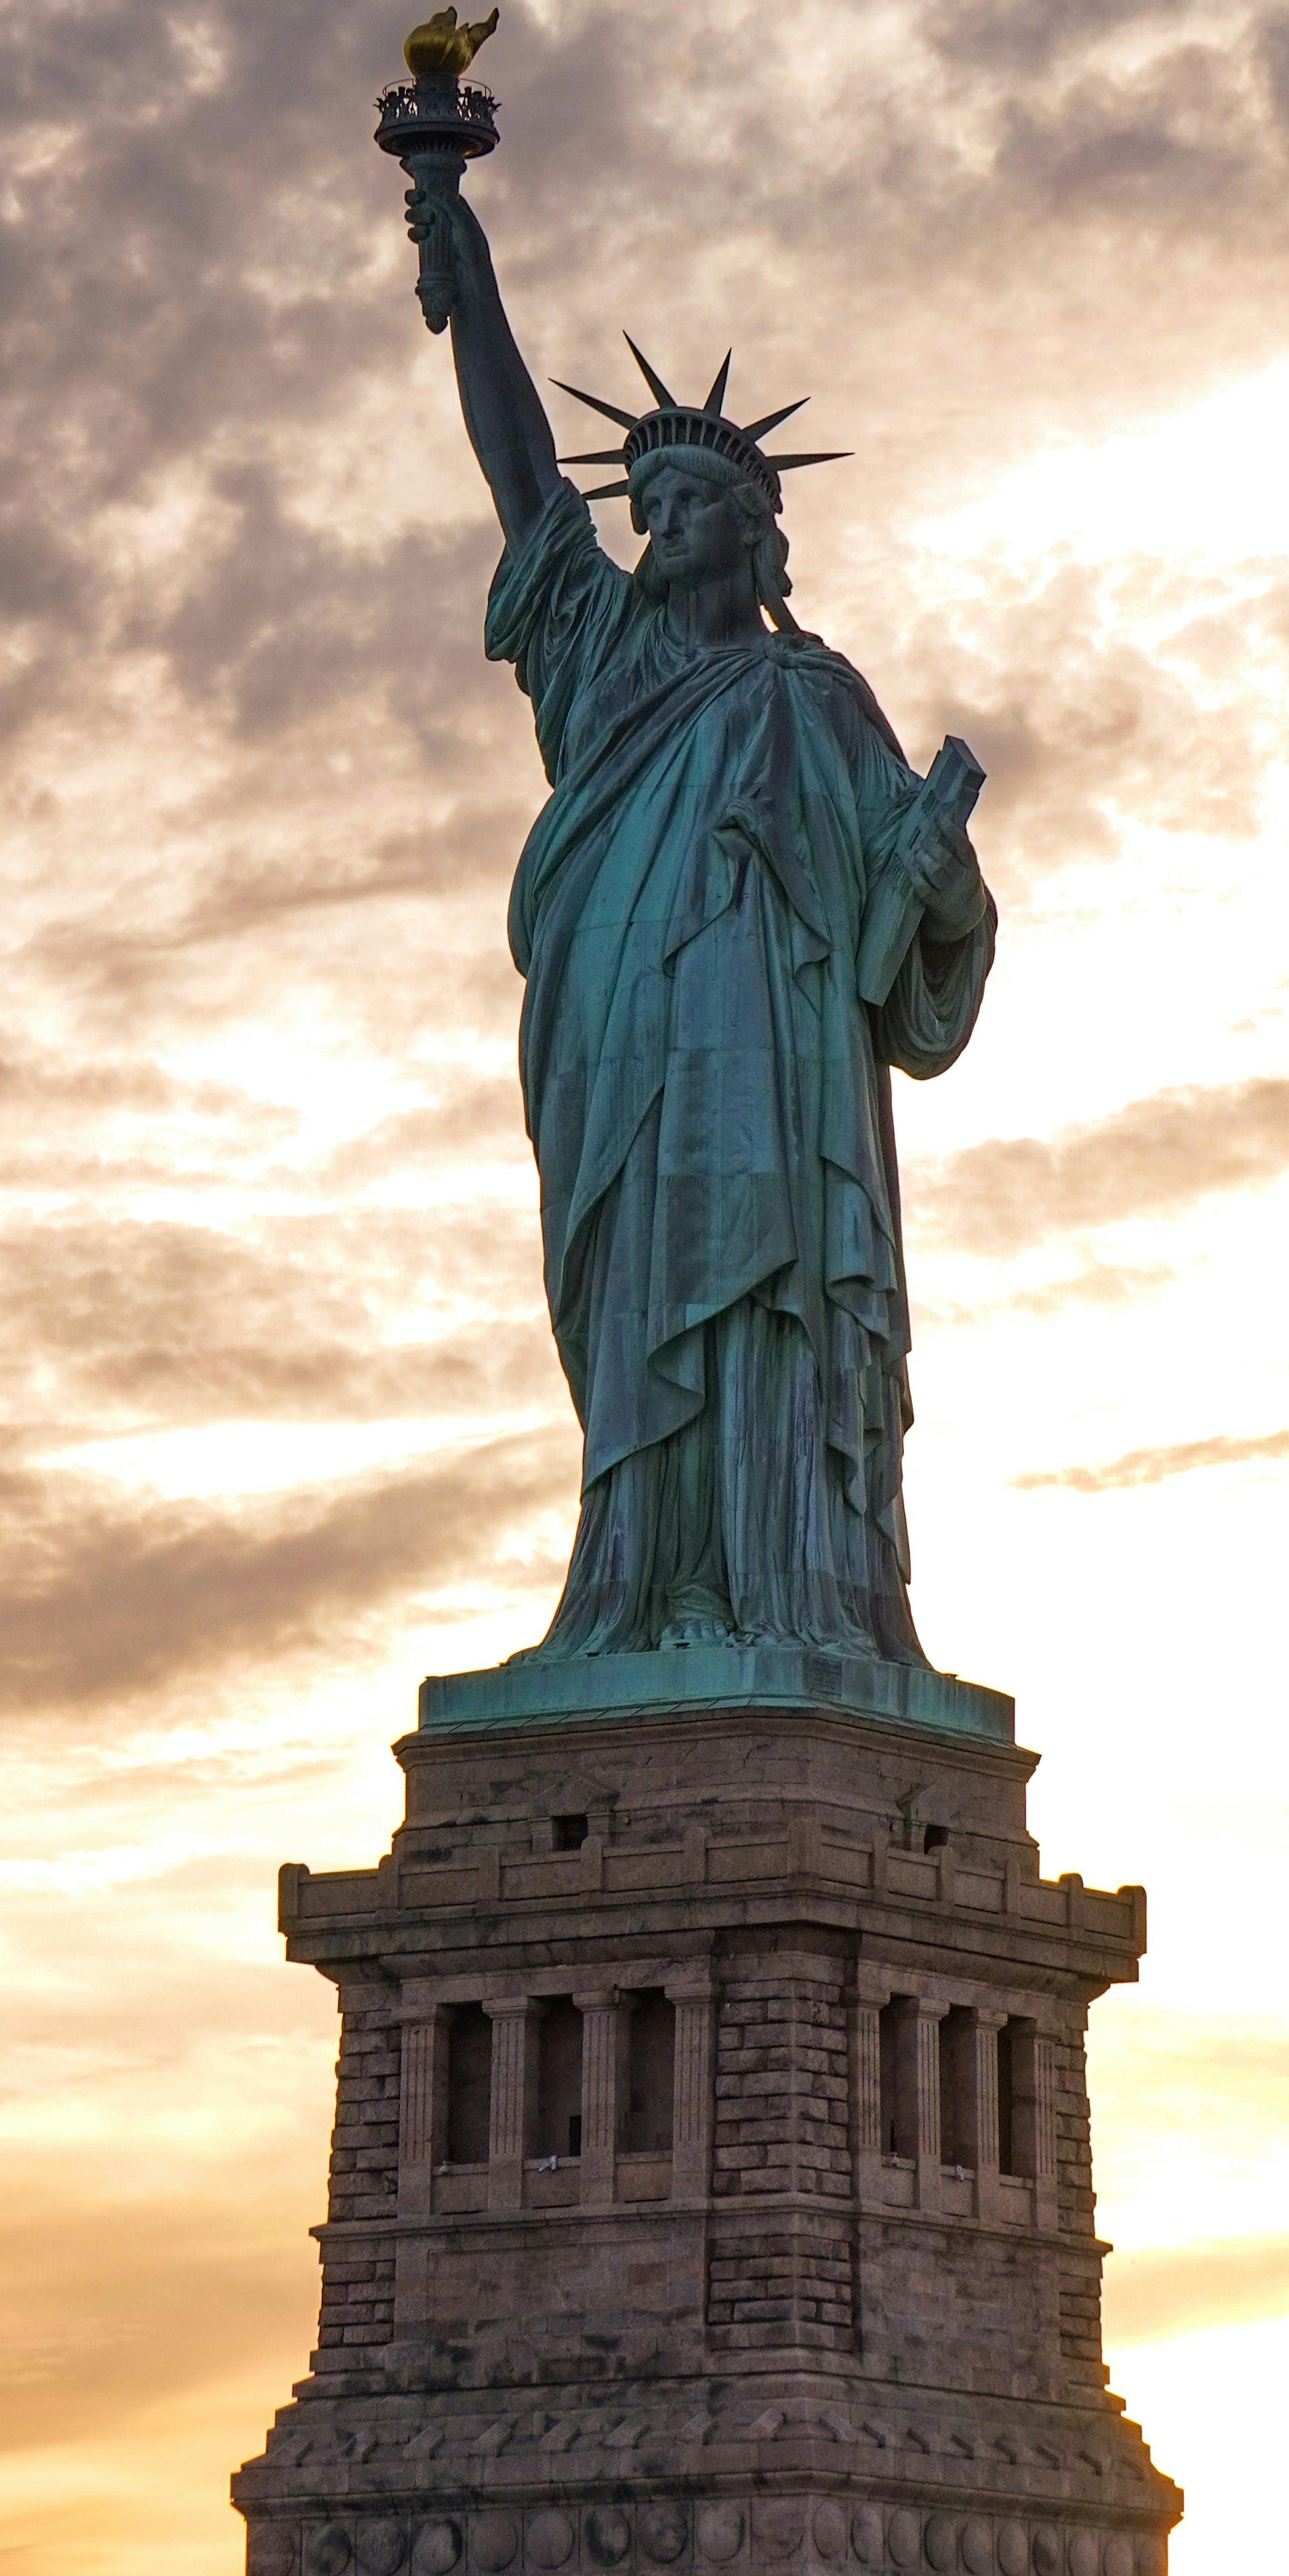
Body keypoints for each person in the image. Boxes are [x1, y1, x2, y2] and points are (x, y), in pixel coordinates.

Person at [403, 174, 995, 1662]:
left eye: (686, 508)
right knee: (639, 1304)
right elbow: (522, 472)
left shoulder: (817, 697)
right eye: (645, 506)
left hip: (780, 1085)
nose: (655, 526)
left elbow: (916, 956)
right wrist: (464, 262)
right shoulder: (597, 651)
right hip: (627, 1051)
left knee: (771, 1307)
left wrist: (941, 877)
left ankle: (784, 1588)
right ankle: (644, 1583)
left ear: (753, 535)